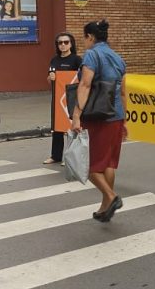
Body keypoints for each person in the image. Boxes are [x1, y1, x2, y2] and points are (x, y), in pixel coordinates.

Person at [71, 19, 127, 222]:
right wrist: (125, 121)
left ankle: (112, 197)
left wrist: (76, 115)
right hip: (117, 116)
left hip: (98, 116)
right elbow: (123, 93)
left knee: (91, 166)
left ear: (90, 37)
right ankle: (105, 207)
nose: (84, 42)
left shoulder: (92, 55)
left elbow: (85, 85)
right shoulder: (118, 58)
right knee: (109, 163)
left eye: (84, 37)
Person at [43, 32, 82, 165]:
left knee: (71, 127)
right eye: (60, 43)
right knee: (57, 127)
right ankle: (55, 156)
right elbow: (49, 79)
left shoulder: (77, 60)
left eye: (66, 42)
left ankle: (70, 156)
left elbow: (82, 78)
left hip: (72, 98)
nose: (63, 45)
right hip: (57, 98)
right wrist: (50, 78)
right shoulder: (54, 60)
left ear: (71, 44)